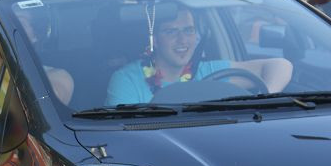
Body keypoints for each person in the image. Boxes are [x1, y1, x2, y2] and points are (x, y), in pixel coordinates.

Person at [106, 6, 292, 105]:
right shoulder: (127, 80)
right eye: (171, 32)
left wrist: (266, 98)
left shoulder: (210, 71)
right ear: (155, 39)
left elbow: (280, 65)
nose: (183, 40)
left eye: (189, 30)